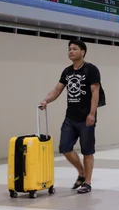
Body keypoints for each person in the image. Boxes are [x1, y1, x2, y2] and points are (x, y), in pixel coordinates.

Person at [38, 40, 101, 194]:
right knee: (65, 148)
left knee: (87, 151)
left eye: (75, 49)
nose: (71, 51)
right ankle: (81, 172)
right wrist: (46, 100)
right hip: (70, 118)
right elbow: (57, 90)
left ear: (83, 52)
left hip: (86, 118)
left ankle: (87, 182)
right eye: (69, 49)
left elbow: (95, 92)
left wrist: (92, 114)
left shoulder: (91, 70)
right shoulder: (67, 72)